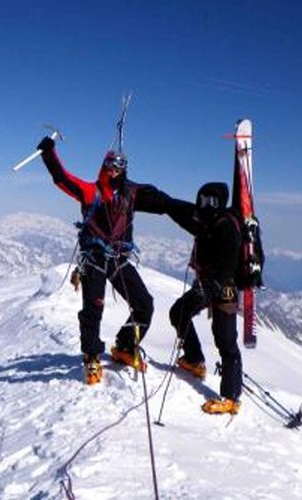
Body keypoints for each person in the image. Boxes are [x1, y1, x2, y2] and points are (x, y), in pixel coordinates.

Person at [36, 135, 172, 385]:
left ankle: (125, 345)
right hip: (95, 258)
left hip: (118, 259)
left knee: (144, 304)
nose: (113, 170)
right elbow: (62, 178)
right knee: (93, 308)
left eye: (118, 166)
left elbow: (160, 201)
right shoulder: (92, 192)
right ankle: (91, 356)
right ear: (104, 165)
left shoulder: (131, 194)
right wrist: (49, 153)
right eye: (110, 165)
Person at [165, 182, 244, 414]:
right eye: (202, 200)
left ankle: (231, 397)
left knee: (225, 340)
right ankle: (194, 360)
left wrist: (212, 287)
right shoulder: (205, 222)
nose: (205, 205)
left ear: (220, 202)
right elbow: (176, 209)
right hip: (208, 285)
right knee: (179, 312)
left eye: (211, 201)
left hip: (225, 288)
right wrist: (154, 200)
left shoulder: (226, 226)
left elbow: (229, 264)